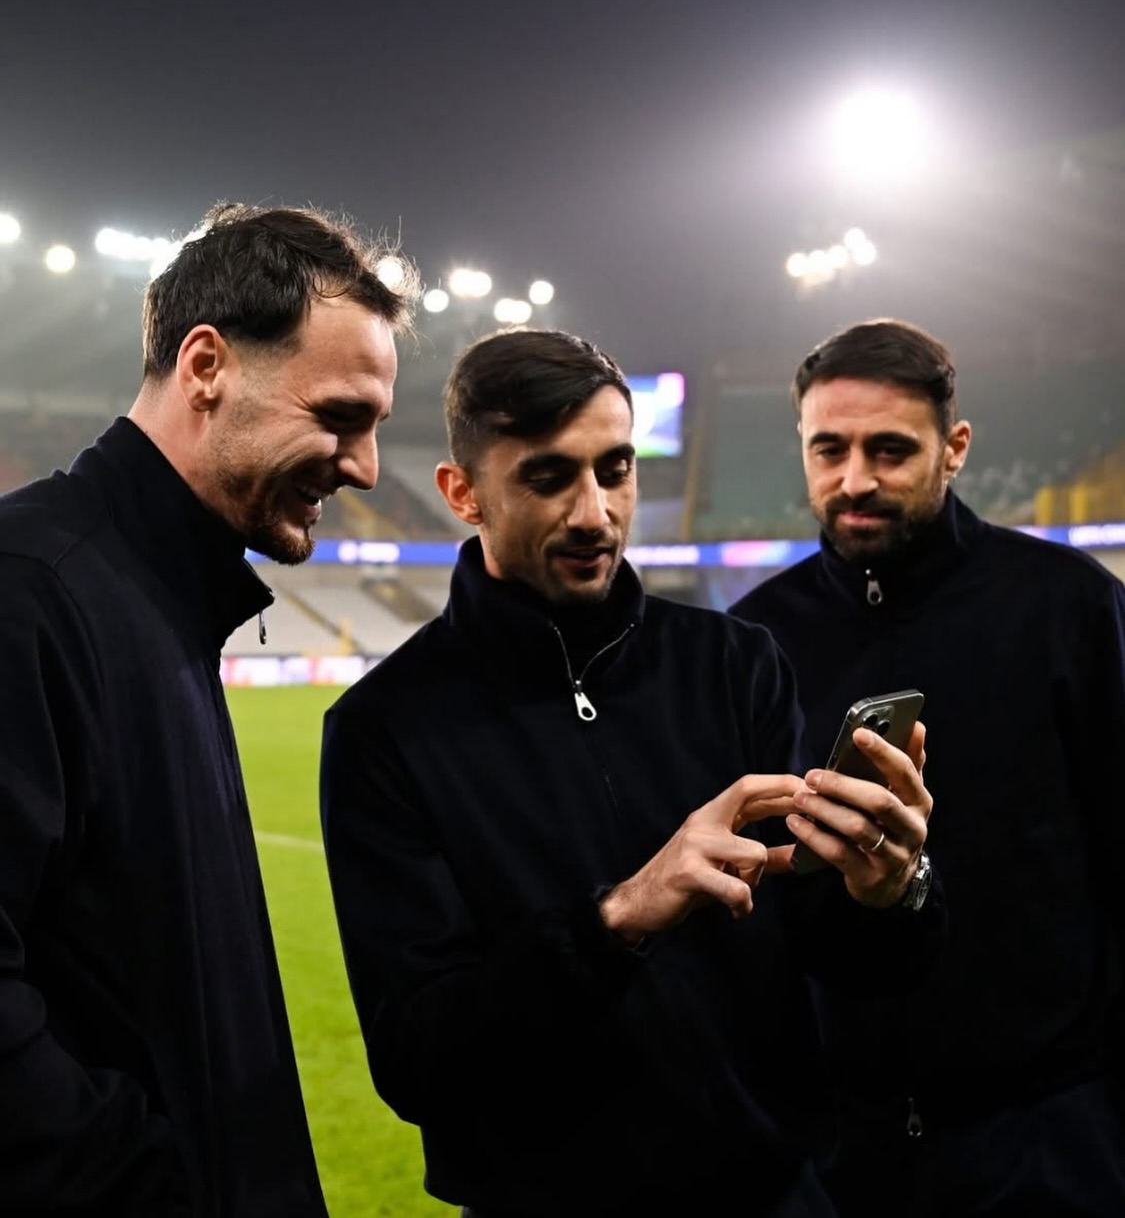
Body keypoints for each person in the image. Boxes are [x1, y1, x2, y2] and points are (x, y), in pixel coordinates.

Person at [320, 327, 942, 1218]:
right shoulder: (385, 727)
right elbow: (417, 1059)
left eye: (614, 470)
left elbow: (835, 955)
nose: (593, 512)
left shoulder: (734, 663)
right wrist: (616, 918)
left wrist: (890, 890)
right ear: (462, 493)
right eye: (547, 477)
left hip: (774, 1198)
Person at [0, 202, 411, 1214]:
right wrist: (153, 1183)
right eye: (340, 415)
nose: (364, 467)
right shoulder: (31, 590)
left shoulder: (158, 593)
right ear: (206, 365)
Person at [729, 318, 1125, 1217]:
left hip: (1048, 1139)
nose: (854, 479)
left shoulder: (1069, 607)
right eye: (827, 449)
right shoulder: (753, 640)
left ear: (954, 448)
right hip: (837, 1148)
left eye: (889, 449)